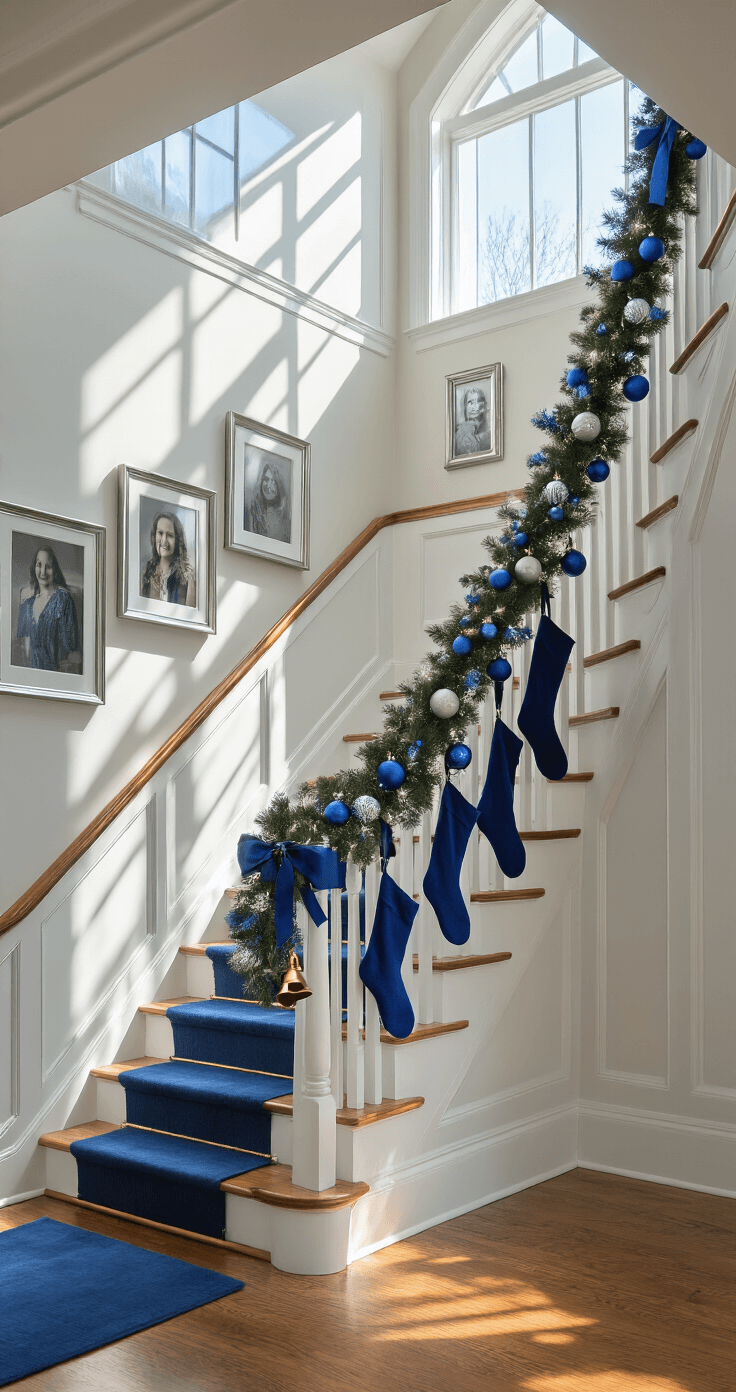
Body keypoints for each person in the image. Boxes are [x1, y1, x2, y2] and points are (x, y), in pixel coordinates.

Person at [16, 544, 81, 672]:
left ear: (55, 570)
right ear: (34, 567)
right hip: (29, 677)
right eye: (39, 565)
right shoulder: (27, 604)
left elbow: (70, 648)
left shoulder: (63, 600)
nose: (43, 572)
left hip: (54, 675)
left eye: (48, 566)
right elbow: (20, 647)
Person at [140, 511, 195, 606]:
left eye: (170, 535)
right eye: (160, 533)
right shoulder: (146, 574)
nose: (164, 540)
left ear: (177, 541)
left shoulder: (187, 578)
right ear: (154, 535)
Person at [245, 457, 291, 543]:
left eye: (273, 481)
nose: (268, 486)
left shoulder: (286, 524)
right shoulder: (252, 512)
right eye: (266, 479)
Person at [454, 385, 491, 455]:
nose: (475, 407)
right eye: (470, 402)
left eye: (479, 401)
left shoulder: (491, 436)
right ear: (465, 408)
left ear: (485, 406)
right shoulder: (457, 437)